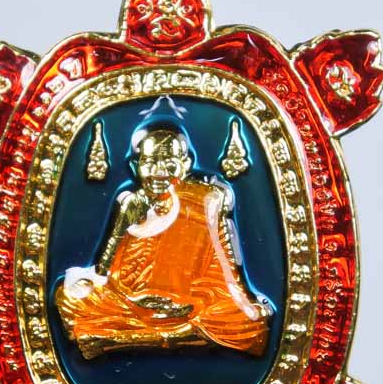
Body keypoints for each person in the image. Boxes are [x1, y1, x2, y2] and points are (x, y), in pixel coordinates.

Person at [55, 123, 272, 360]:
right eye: (149, 162)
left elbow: (225, 278)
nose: (159, 172)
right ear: (135, 166)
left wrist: (187, 301)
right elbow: (107, 271)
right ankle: (163, 337)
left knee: (249, 323)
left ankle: (121, 340)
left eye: (169, 162)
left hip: (191, 307)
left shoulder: (204, 202)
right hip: (132, 304)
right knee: (68, 296)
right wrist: (130, 290)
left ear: (186, 165)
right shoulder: (132, 204)